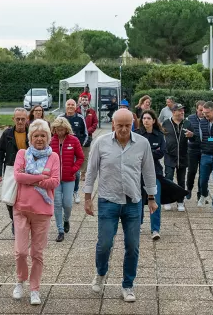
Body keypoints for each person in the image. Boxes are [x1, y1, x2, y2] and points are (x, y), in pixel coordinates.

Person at [84, 109, 157, 302]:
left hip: (133, 201)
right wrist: (87, 197)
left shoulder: (142, 144)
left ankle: (128, 285)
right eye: (120, 126)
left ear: (133, 124)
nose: (124, 129)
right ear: (113, 125)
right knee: (105, 244)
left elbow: (149, 171)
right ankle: (101, 273)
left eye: (128, 125)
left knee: (132, 246)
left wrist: (151, 197)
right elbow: (91, 171)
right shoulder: (101, 143)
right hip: (108, 200)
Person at [11, 119, 60, 306]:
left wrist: (30, 179)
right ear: (30, 138)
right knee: (21, 252)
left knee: (37, 253)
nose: (39, 139)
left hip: (42, 211)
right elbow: (18, 176)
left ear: (48, 138)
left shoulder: (53, 157)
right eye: (36, 135)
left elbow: (55, 181)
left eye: (43, 136)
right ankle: (20, 280)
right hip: (21, 209)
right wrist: (41, 177)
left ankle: (34, 289)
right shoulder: (22, 154)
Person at [0, 108, 30, 234]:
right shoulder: (7, 134)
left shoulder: (31, 133)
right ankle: (14, 220)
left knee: (26, 198)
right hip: (10, 169)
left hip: (28, 170)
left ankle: (24, 222)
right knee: (9, 198)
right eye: (18, 119)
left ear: (27, 119)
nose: (20, 122)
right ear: (13, 119)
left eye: (23, 119)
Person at [49, 117, 83, 242]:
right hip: (55, 179)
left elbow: (80, 157)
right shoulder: (51, 141)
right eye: (57, 130)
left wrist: (73, 169)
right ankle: (60, 230)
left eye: (62, 130)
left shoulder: (74, 140)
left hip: (69, 178)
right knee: (57, 204)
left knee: (67, 203)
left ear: (66, 129)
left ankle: (66, 219)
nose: (60, 132)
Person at [136, 110, 165, 240]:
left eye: (148, 118)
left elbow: (161, 153)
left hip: (155, 173)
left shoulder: (159, 136)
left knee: (155, 201)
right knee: (139, 201)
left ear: (153, 120)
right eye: (144, 118)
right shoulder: (136, 135)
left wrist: (146, 153)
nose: (146, 120)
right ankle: (138, 225)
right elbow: (135, 153)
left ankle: (155, 229)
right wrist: (152, 151)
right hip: (138, 173)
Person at [162, 103, 193, 212]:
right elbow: (161, 138)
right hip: (170, 156)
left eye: (183, 110)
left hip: (183, 157)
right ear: (173, 112)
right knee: (168, 179)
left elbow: (195, 139)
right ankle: (166, 201)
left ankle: (180, 201)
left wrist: (192, 136)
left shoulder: (188, 123)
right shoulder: (166, 123)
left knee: (181, 180)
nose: (182, 112)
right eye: (179, 110)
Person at [59, 99, 87, 203]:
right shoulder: (60, 118)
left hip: (74, 151)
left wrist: (79, 146)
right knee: (61, 170)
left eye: (72, 105)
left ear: (76, 107)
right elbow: (54, 134)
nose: (70, 106)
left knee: (76, 173)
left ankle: (75, 191)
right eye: (68, 104)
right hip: (62, 150)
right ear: (65, 106)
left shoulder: (80, 118)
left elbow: (85, 134)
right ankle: (61, 191)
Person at [186, 101, 205, 202]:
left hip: (205, 150)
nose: (202, 112)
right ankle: (189, 189)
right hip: (192, 149)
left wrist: (209, 141)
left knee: (203, 173)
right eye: (200, 110)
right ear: (196, 109)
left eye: (204, 110)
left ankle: (200, 193)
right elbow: (185, 132)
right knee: (192, 171)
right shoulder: (190, 119)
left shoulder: (208, 119)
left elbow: (212, 138)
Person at [76, 94, 98, 181]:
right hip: (77, 136)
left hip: (87, 137)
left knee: (85, 156)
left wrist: (88, 131)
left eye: (86, 100)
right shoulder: (76, 111)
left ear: (88, 101)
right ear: (80, 101)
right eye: (83, 99)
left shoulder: (92, 111)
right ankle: (75, 172)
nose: (84, 101)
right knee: (75, 155)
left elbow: (95, 123)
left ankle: (83, 173)